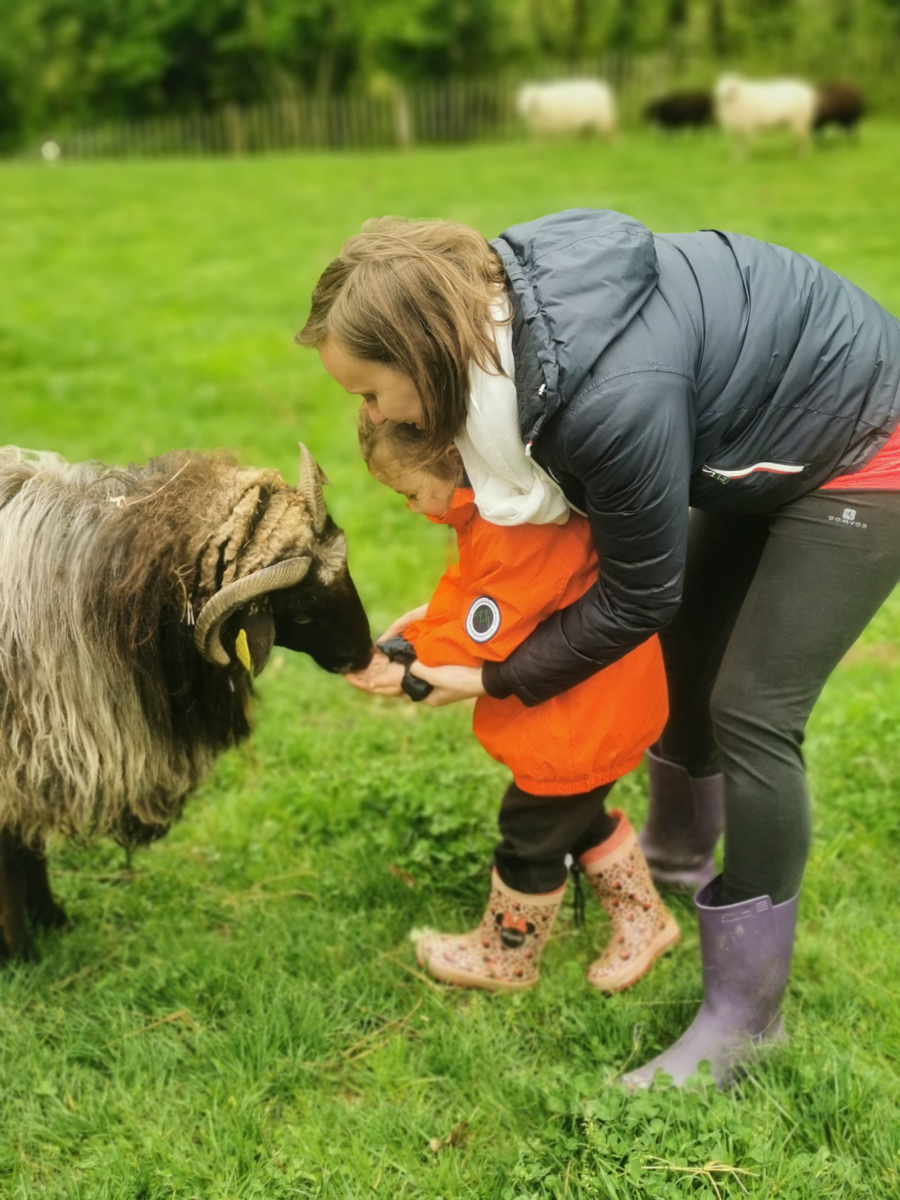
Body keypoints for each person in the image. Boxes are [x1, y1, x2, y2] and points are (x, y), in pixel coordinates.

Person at [298, 209, 900, 1087]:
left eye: (368, 391)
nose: (370, 412)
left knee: (753, 711)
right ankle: (678, 857)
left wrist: (491, 674)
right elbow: (574, 568)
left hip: (864, 442)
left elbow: (635, 594)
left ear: (426, 355)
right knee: (688, 648)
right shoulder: (513, 353)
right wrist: (448, 625)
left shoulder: (607, 401)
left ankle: (745, 1019)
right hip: (769, 424)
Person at [356, 410, 677, 994]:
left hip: (582, 717)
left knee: (530, 831)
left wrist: (410, 669)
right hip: (601, 702)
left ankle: (506, 957)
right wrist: (425, 626)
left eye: (409, 491)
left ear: (451, 460)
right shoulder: (499, 504)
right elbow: (479, 593)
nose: (412, 506)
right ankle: (644, 920)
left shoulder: (516, 530)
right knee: (573, 815)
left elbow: (493, 630)